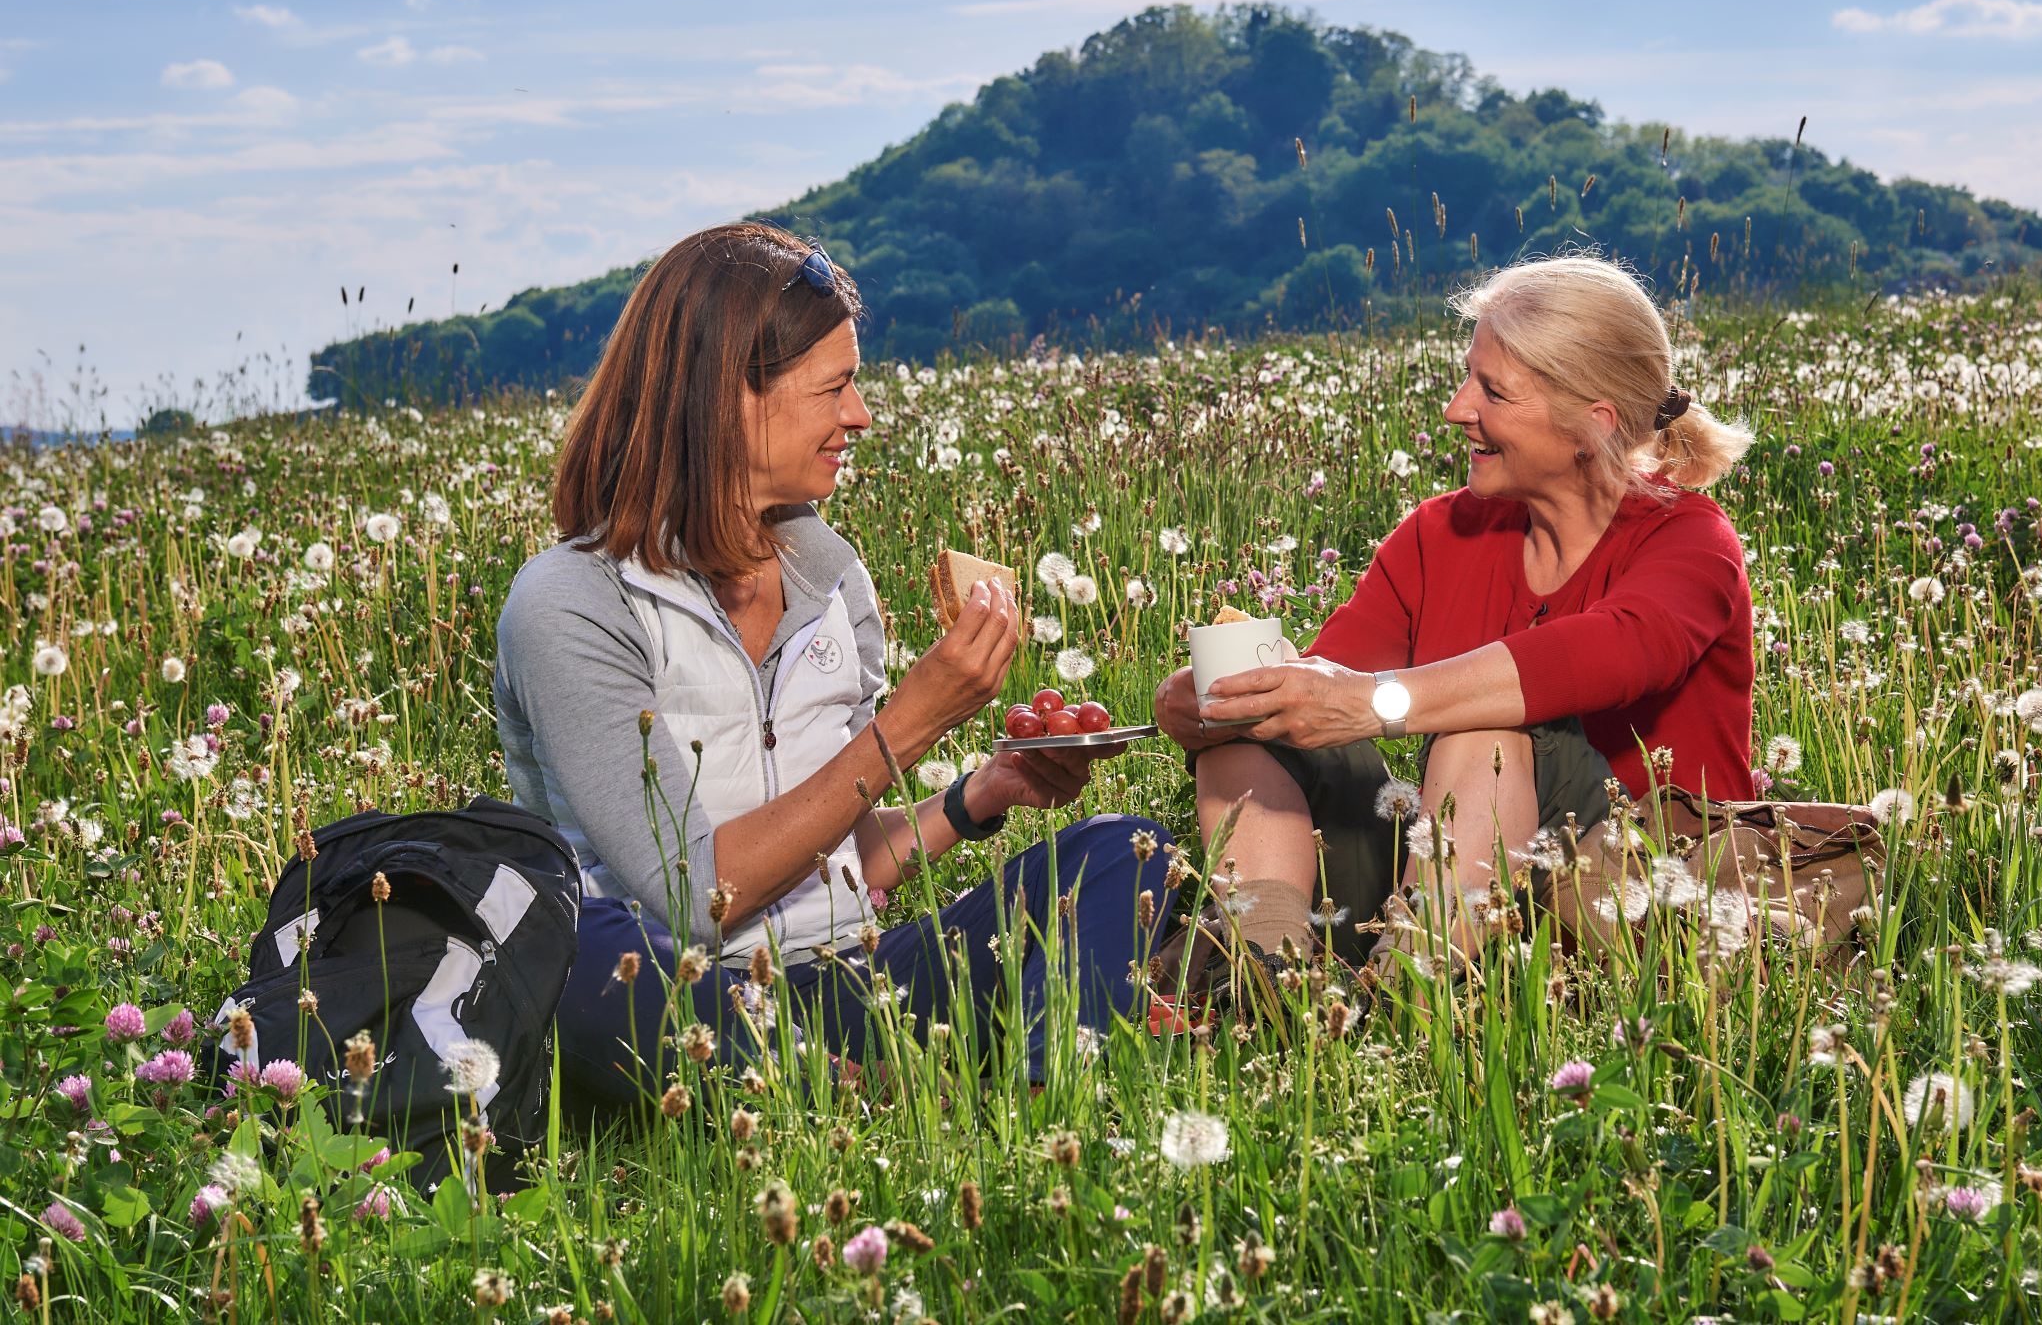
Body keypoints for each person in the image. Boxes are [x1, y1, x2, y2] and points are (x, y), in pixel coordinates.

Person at [493, 222, 1169, 1103]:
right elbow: (700, 895)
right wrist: (912, 724)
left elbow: (842, 853)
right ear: (728, 398)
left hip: (852, 978)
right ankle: (866, 1087)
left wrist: (981, 795)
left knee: (1124, 851)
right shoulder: (574, 602)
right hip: (682, 991)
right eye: (836, 388)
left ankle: (1042, 1093)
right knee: (570, 944)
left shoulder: (829, 575)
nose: (860, 417)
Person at [1151, 254, 1755, 979]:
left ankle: (1412, 1003)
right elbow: (1319, 698)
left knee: (1488, 731)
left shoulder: (1691, 541)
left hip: (1642, 900)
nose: (1457, 408)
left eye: (1492, 391)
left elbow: (1611, 653)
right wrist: (1217, 701)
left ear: (1589, 427)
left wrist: (1376, 701)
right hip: (1460, 884)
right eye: (1468, 376)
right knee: (1266, 728)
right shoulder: (1440, 536)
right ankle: (1265, 977)